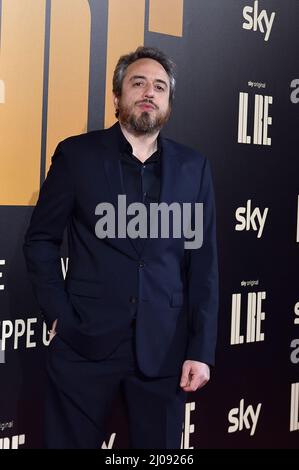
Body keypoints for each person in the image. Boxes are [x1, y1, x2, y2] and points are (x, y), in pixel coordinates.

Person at [23, 46, 219, 449]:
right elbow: (41, 239)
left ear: (168, 102)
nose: (149, 91)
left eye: (159, 87)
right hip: (84, 342)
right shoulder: (77, 155)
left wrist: (200, 349)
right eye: (138, 83)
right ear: (117, 97)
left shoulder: (193, 167)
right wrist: (59, 316)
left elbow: (202, 263)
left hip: (164, 351)